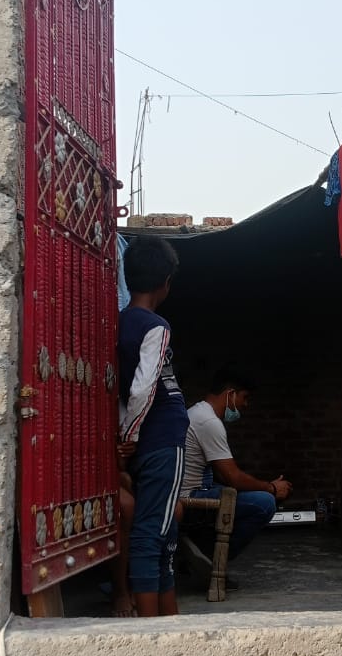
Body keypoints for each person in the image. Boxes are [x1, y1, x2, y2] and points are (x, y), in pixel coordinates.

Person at [117, 237, 188, 618]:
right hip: (161, 435)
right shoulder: (156, 326)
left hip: (144, 438)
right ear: (165, 283)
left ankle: (166, 621)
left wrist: (125, 432)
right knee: (152, 534)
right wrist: (131, 433)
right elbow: (144, 386)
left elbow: (121, 388)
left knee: (160, 532)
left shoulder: (119, 324)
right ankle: (151, 630)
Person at [178, 366, 292, 578]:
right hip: (191, 499)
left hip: (202, 489)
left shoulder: (200, 413)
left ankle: (198, 550)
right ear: (230, 394)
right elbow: (232, 477)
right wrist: (271, 488)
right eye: (244, 397)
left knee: (252, 495)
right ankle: (208, 556)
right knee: (264, 503)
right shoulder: (209, 422)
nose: (245, 405)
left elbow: (223, 476)